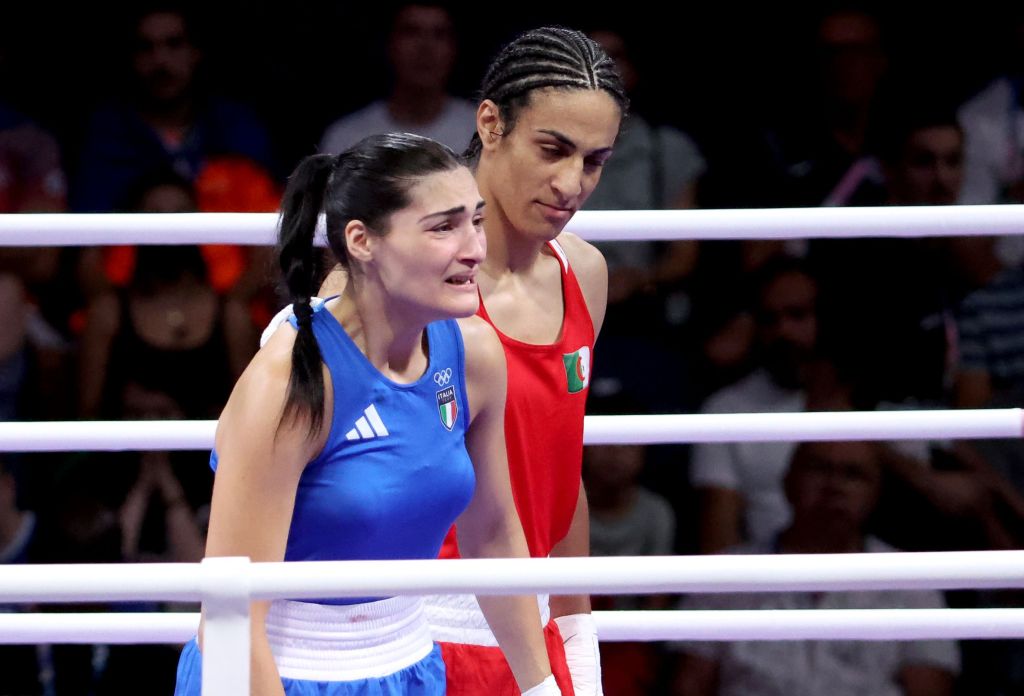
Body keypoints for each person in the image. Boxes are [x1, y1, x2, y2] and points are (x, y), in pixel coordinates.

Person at [270, 26, 627, 695]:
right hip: (417, 628)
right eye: (552, 149)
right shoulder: (392, 281)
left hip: (534, 625)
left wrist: (578, 632)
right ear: (489, 123)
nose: (570, 182)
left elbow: (557, 467)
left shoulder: (584, 272)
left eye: (593, 159)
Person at [174, 133, 558, 695]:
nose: (475, 247)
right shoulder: (291, 383)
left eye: (475, 221)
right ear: (362, 241)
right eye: (443, 227)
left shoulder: (473, 356)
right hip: (278, 675)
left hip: (412, 667)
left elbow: (494, 534)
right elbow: (231, 616)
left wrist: (541, 689)